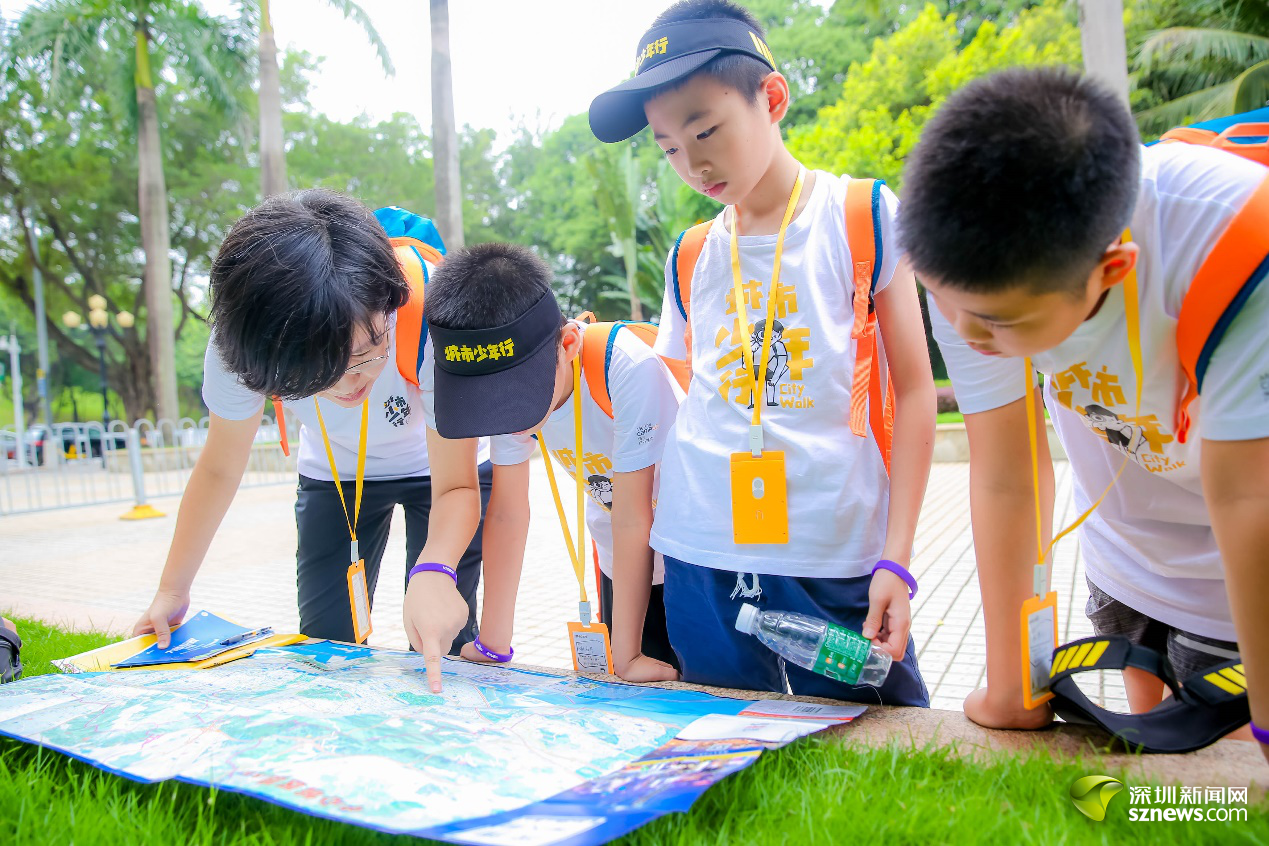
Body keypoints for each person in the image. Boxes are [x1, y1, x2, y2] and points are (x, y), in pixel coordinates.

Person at [900, 66, 1268, 752]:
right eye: (942, 300)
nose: (962, 331)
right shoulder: (966, 268)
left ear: (1112, 268)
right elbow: (1007, 474)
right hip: (1126, 552)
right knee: (1160, 776)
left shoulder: (1237, 239)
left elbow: (1251, 498)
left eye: (998, 322)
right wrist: (1012, 686)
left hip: (1243, 571)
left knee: (1227, 781)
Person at [586, 0, 935, 704]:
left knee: (876, 724)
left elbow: (916, 390)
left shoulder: (859, 215)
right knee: (720, 739)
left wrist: (896, 559)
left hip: (832, 552)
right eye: (668, 148)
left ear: (772, 99)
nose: (692, 163)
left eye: (705, 130)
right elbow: (689, 401)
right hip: (700, 553)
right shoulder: (691, 254)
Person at [131, 190, 492, 665]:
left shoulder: (434, 316)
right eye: (319, 373)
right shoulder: (246, 339)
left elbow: (457, 485)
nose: (349, 383)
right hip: (335, 472)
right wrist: (172, 590)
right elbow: (219, 467)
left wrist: (436, 569)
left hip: (442, 472)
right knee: (327, 649)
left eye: (365, 355)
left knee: (440, 640)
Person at [414, 242, 685, 684]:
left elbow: (635, 517)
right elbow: (507, 511)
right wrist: (493, 641)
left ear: (568, 345)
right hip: (623, 562)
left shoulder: (627, 367)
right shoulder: (510, 384)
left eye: (516, 397)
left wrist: (627, 654)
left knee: (697, 683)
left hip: (688, 555)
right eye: (486, 402)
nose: (505, 418)